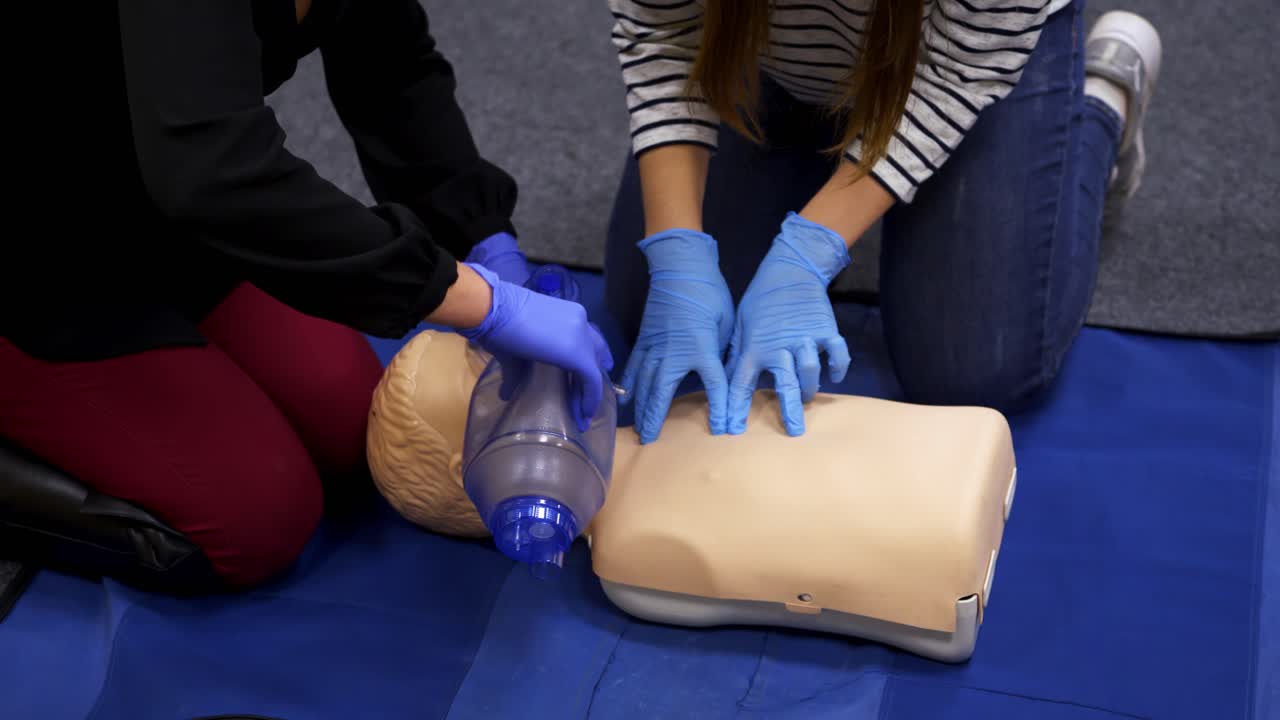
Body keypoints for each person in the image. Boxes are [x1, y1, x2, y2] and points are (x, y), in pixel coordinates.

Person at [0, 0, 610, 589]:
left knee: (354, 428)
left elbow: (392, 71)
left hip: (148, 190)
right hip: (34, 248)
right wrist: (477, 301)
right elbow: (215, 172)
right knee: (254, 521)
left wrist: (483, 238)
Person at [604, 0, 1163, 443]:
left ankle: (1099, 105)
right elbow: (662, 30)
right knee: (650, 313)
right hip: (763, 51)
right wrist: (677, 254)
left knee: (973, 371)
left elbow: (964, 67)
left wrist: (809, 251)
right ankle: (827, 154)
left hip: (960, 56)